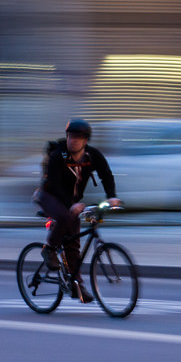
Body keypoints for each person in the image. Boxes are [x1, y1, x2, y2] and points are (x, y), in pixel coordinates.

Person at [33, 118, 121, 303]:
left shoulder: (92, 155)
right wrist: (71, 204)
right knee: (65, 217)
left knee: (73, 246)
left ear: (85, 140)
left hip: (72, 202)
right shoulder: (58, 156)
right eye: (70, 136)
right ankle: (48, 250)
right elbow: (54, 185)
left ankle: (76, 285)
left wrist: (111, 196)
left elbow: (106, 174)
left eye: (78, 137)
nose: (73, 140)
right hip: (48, 196)